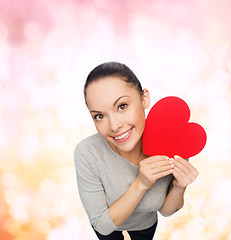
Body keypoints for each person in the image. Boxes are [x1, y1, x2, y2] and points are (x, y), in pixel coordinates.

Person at [74, 62, 199, 240]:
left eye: (122, 106)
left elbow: (166, 211)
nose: (115, 126)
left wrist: (180, 187)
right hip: (109, 229)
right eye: (100, 116)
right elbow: (102, 225)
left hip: (145, 225)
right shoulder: (87, 153)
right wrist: (141, 184)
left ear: (144, 98)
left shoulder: (173, 142)